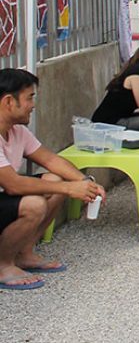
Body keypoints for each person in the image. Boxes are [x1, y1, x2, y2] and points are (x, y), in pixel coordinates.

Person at [0, 69, 105, 291]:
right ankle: (2, 265)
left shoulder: (17, 130)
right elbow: (13, 184)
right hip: (6, 193)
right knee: (36, 203)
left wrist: (85, 182)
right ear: (9, 101)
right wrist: (69, 188)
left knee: (54, 180)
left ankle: (24, 254)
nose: (33, 105)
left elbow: (50, 159)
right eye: (29, 97)